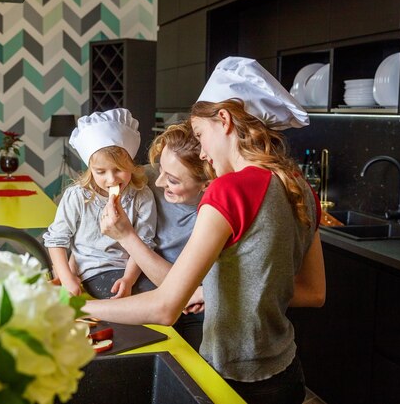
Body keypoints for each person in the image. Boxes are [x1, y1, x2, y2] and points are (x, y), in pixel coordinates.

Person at [84, 57, 326, 404]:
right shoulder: (300, 186)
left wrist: (80, 307)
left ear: (224, 120)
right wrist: (216, 290)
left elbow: (165, 308)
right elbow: (312, 291)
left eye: (200, 134)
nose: (203, 153)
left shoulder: (229, 190)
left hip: (231, 378)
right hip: (287, 375)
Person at [43, 108, 157, 299]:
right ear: (90, 170)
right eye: (101, 172)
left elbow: (144, 243)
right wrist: (66, 278)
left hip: (131, 269)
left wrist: (128, 279)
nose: (111, 179)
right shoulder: (78, 196)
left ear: (131, 165)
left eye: (119, 169)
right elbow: (56, 240)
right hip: (92, 270)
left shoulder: (142, 195)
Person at [143, 122, 214, 351]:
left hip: (198, 306)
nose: (158, 182)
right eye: (160, 168)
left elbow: (184, 289)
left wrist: (126, 236)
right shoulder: (144, 180)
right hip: (147, 292)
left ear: (206, 184)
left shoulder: (216, 214)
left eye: (173, 180)